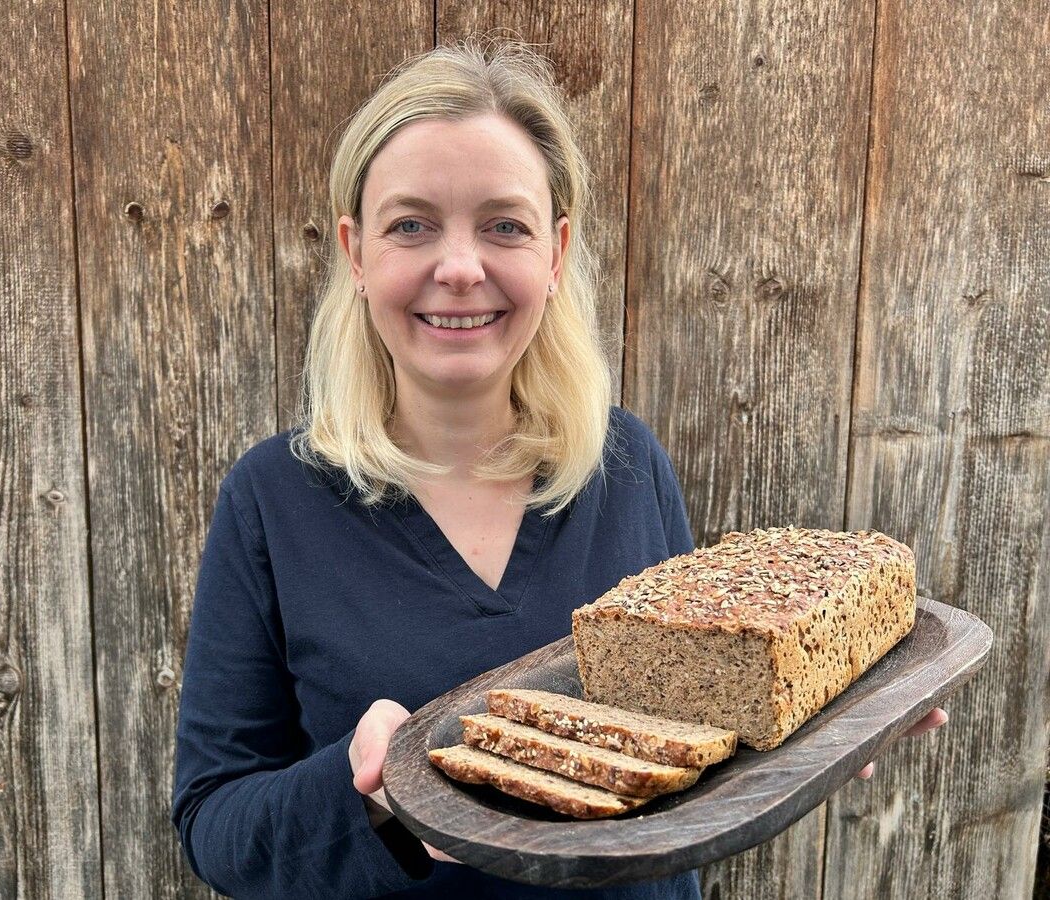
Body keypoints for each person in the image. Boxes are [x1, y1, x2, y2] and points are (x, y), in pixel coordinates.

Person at [170, 34, 947, 899]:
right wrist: (372, 798)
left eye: (504, 225)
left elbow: (707, 752)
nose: (459, 267)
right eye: (411, 225)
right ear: (357, 253)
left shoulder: (627, 465)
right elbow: (214, 822)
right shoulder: (275, 499)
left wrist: (821, 722)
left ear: (556, 251)